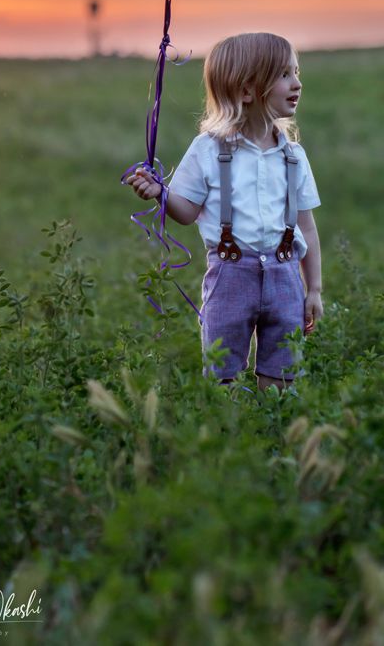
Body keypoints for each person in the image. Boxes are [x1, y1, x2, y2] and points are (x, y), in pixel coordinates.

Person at [127, 32, 323, 392]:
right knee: (222, 374)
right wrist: (160, 194)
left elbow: (306, 230)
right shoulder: (207, 149)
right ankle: (230, 435)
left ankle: (273, 436)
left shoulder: (294, 156)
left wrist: (314, 289)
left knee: (282, 375)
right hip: (231, 274)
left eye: (295, 72)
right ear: (247, 91)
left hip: (285, 277)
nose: (297, 83)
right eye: (283, 75)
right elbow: (186, 212)